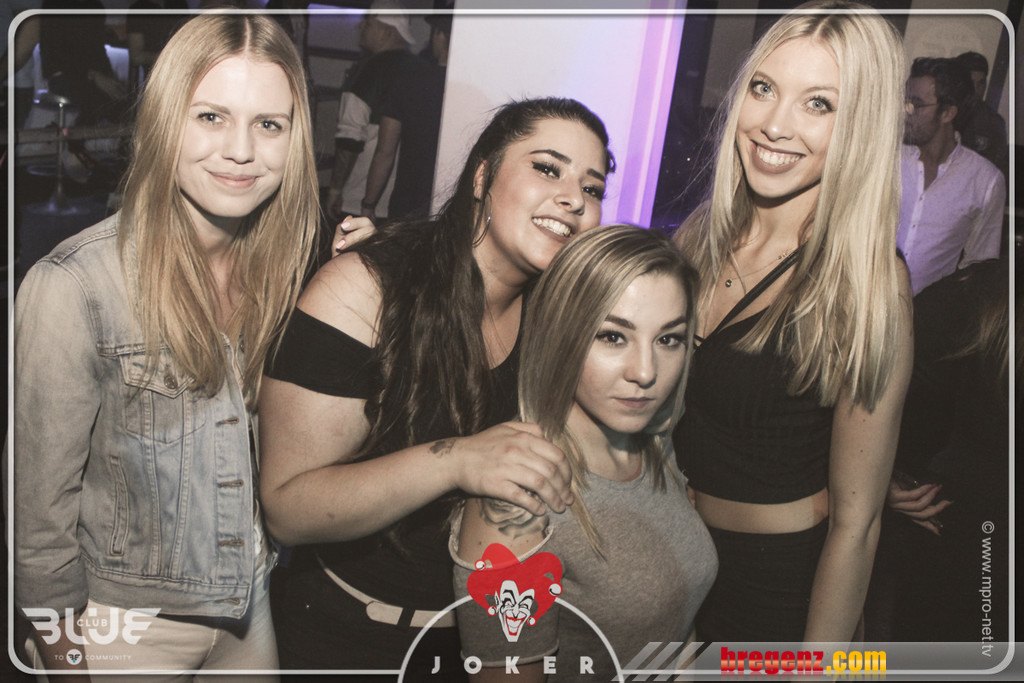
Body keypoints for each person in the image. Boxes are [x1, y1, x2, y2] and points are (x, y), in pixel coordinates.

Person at [259, 97, 613, 675]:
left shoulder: (555, 314)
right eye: (548, 168)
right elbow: (288, 510)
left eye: (592, 188)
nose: (574, 198)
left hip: (484, 648)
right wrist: (458, 460)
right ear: (482, 177)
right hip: (348, 642)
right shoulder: (365, 288)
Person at [13, 14, 319, 677]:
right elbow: (35, 525)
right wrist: (65, 658)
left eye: (269, 124)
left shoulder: (288, 272)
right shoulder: (75, 286)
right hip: (124, 627)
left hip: (250, 601)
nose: (241, 150)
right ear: (163, 120)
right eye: (211, 117)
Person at [671, 0, 914, 643]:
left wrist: (818, 666)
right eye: (763, 88)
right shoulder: (698, 238)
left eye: (818, 104)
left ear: (859, 127)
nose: (775, 125)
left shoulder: (868, 283)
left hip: (775, 595)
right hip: (670, 562)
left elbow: (857, 524)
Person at [451, 225, 717, 681]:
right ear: (562, 335)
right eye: (613, 336)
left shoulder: (654, 444)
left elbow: (679, 632)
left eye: (668, 339)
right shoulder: (517, 497)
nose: (645, 372)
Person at [868, 258, 1009, 641]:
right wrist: (881, 476)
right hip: (964, 545)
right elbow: (877, 380)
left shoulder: (980, 292)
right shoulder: (981, 295)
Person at [898, 57, 1005, 295]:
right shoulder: (887, 159)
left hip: (928, 313)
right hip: (861, 305)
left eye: (917, 104)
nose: (907, 111)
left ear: (947, 113)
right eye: (905, 102)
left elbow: (979, 267)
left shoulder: (985, 180)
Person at [324, 0, 423, 223]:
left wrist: (335, 189)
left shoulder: (368, 72)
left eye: (367, 23)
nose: (360, 26)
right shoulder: (422, 70)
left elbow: (349, 139)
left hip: (360, 200)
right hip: (405, 203)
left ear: (387, 31)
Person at [952, 51, 1008, 177]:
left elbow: (998, 171)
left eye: (981, 83)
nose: (976, 89)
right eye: (971, 83)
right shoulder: (941, 114)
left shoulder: (993, 123)